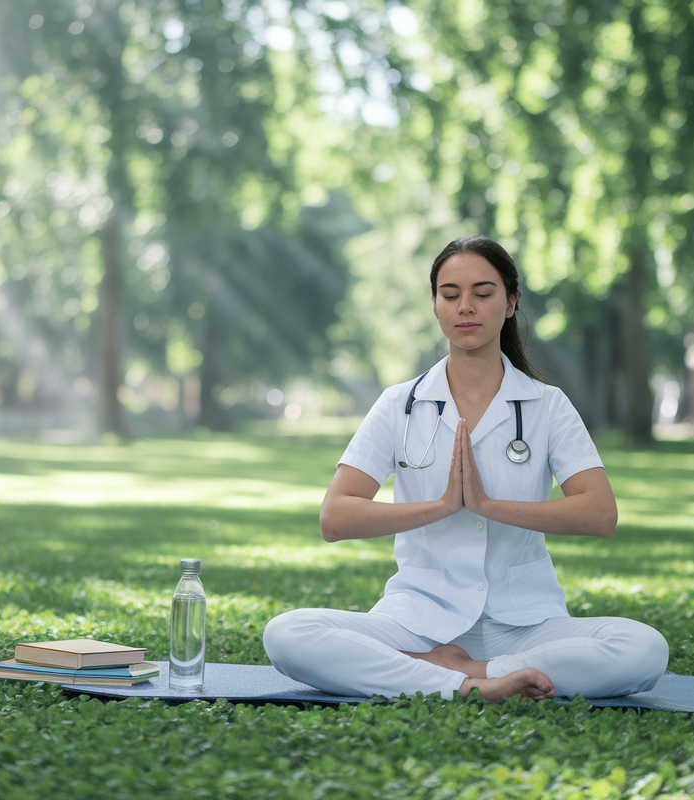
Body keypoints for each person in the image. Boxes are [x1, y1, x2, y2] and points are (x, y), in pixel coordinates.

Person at [263, 235, 668, 703]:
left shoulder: (546, 406)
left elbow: (600, 514)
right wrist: (440, 507)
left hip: (523, 623)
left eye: (483, 293)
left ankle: (463, 673)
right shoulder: (400, 404)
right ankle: (476, 686)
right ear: (435, 305)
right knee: (287, 632)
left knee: (643, 649)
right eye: (450, 295)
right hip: (417, 619)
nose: (466, 308)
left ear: (512, 302)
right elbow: (336, 518)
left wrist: (487, 506)